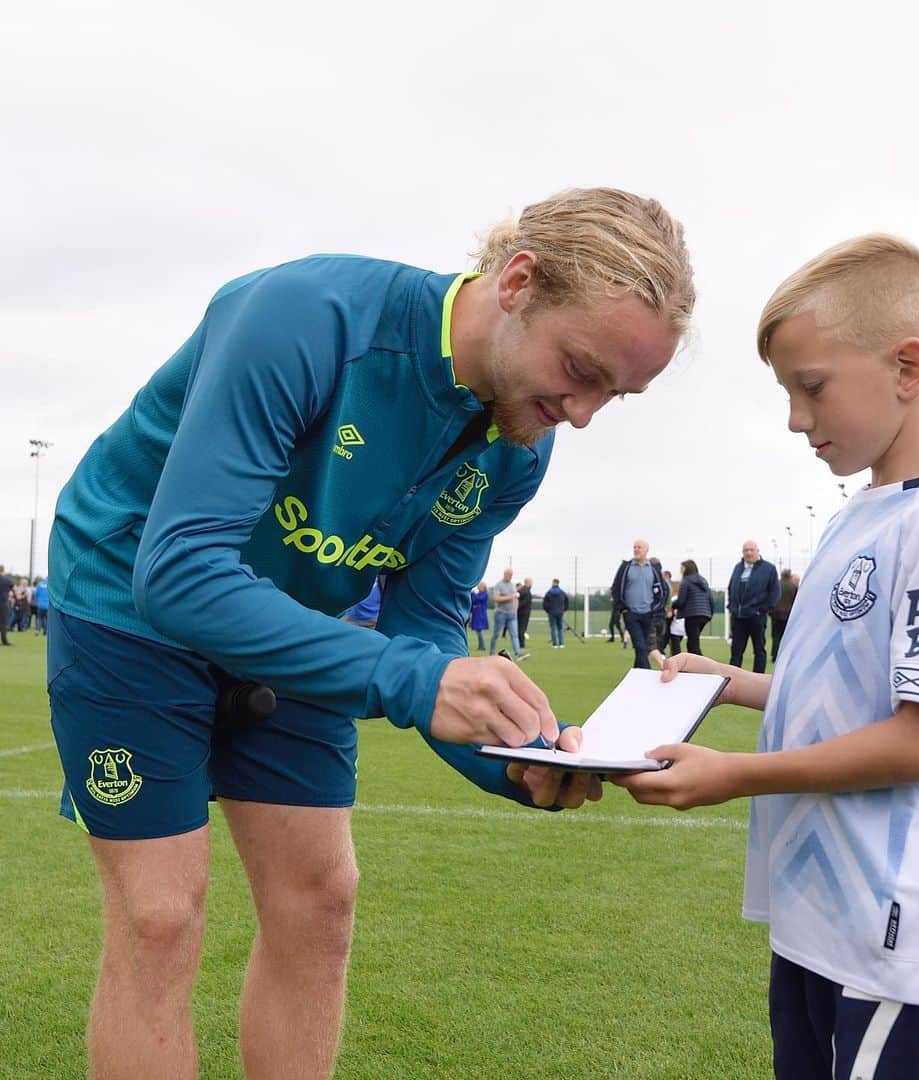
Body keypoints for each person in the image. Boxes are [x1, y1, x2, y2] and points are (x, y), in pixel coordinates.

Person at [45, 186, 694, 1079]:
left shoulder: (522, 442)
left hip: (295, 622)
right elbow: (181, 573)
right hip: (130, 600)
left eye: (616, 395)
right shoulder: (305, 317)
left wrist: (519, 756)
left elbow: (422, 624)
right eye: (581, 369)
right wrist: (421, 682)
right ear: (517, 282)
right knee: (160, 916)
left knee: (321, 902)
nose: (582, 412)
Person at [616, 235, 919, 1079]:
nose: (797, 418)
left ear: (909, 369)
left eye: (811, 387)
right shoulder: (860, 516)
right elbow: (846, 695)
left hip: (902, 937)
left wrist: (731, 775)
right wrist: (725, 683)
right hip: (824, 922)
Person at [611, 540, 669, 669]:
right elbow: (615, 588)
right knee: (641, 646)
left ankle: (637, 674)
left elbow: (663, 591)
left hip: (648, 614)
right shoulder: (626, 567)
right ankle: (647, 674)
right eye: (634, 547)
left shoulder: (653, 569)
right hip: (631, 614)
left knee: (641, 648)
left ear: (646, 550)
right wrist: (623, 609)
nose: (636, 549)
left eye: (639, 547)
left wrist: (656, 608)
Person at [726, 540, 780, 673]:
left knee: (759, 651)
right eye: (746, 550)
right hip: (738, 618)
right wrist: (732, 608)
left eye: (751, 550)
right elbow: (731, 587)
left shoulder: (769, 569)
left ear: (757, 551)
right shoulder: (738, 568)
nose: (748, 553)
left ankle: (758, 679)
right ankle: (731, 680)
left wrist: (761, 610)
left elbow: (775, 593)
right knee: (736, 652)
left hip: (756, 617)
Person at [671, 559, 713, 655]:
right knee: (693, 641)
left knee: (693, 644)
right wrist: (710, 613)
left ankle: (700, 667)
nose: (680, 571)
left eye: (682, 568)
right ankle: (697, 666)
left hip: (692, 615)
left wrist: (672, 606)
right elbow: (710, 598)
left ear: (686, 569)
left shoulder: (686, 581)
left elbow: (681, 601)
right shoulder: (703, 580)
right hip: (705, 615)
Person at [488, 567, 526, 659]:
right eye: (509, 575)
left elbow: (515, 598)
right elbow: (496, 598)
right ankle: (492, 653)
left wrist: (515, 609)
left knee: (514, 635)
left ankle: (518, 654)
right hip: (501, 613)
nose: (510, 577)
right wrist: (509, 597)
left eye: (511, 575)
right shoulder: (498, 585)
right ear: (505, 574)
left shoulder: (512, 585)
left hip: (512, 614)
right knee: (496, 634)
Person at [770, 568, 799, 662]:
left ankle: (774, 655)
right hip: (788, 615)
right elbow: (796, 601)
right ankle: (785, 656)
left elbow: (772, 599)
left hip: (776, 614)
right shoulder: (793, 586)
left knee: (776, 636)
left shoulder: (776, 585)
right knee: (787, 636)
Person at [542, 578, 568, 647]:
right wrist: (564, 610)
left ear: (553, 583)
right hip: (560, 612)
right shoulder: (562, 592)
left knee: (553, 628)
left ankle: (555, 644)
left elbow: (545, 603)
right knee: (560, 628)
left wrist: (547, 610)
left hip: (552, 612)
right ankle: (561, 644)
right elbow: (566, 602)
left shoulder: (549, 592)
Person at [469, 581, 490, 652]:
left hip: (480, 614)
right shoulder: (478, 594)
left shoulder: (485, 594)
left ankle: (482, 646)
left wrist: (473, 593)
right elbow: (473, 600)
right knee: (478, 631)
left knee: (479, 630)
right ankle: (480, 646)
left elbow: (479, 599)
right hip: (476, 613)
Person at [516, 576, 534, 646]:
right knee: (522, 628)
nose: (532, 584)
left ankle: (520, 643)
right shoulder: (526, 591)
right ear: (528, 583)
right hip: (524, 613)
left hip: (519, 612)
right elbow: (524, 603)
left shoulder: (520, 590)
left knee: (519, 628)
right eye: (531, 583)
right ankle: (521, 644)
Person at [0, 565, 12, 646]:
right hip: (3, 603)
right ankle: (4, 640)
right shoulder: (7, 579)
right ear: (3, 570)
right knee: (3, 623)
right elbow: (12, 587)